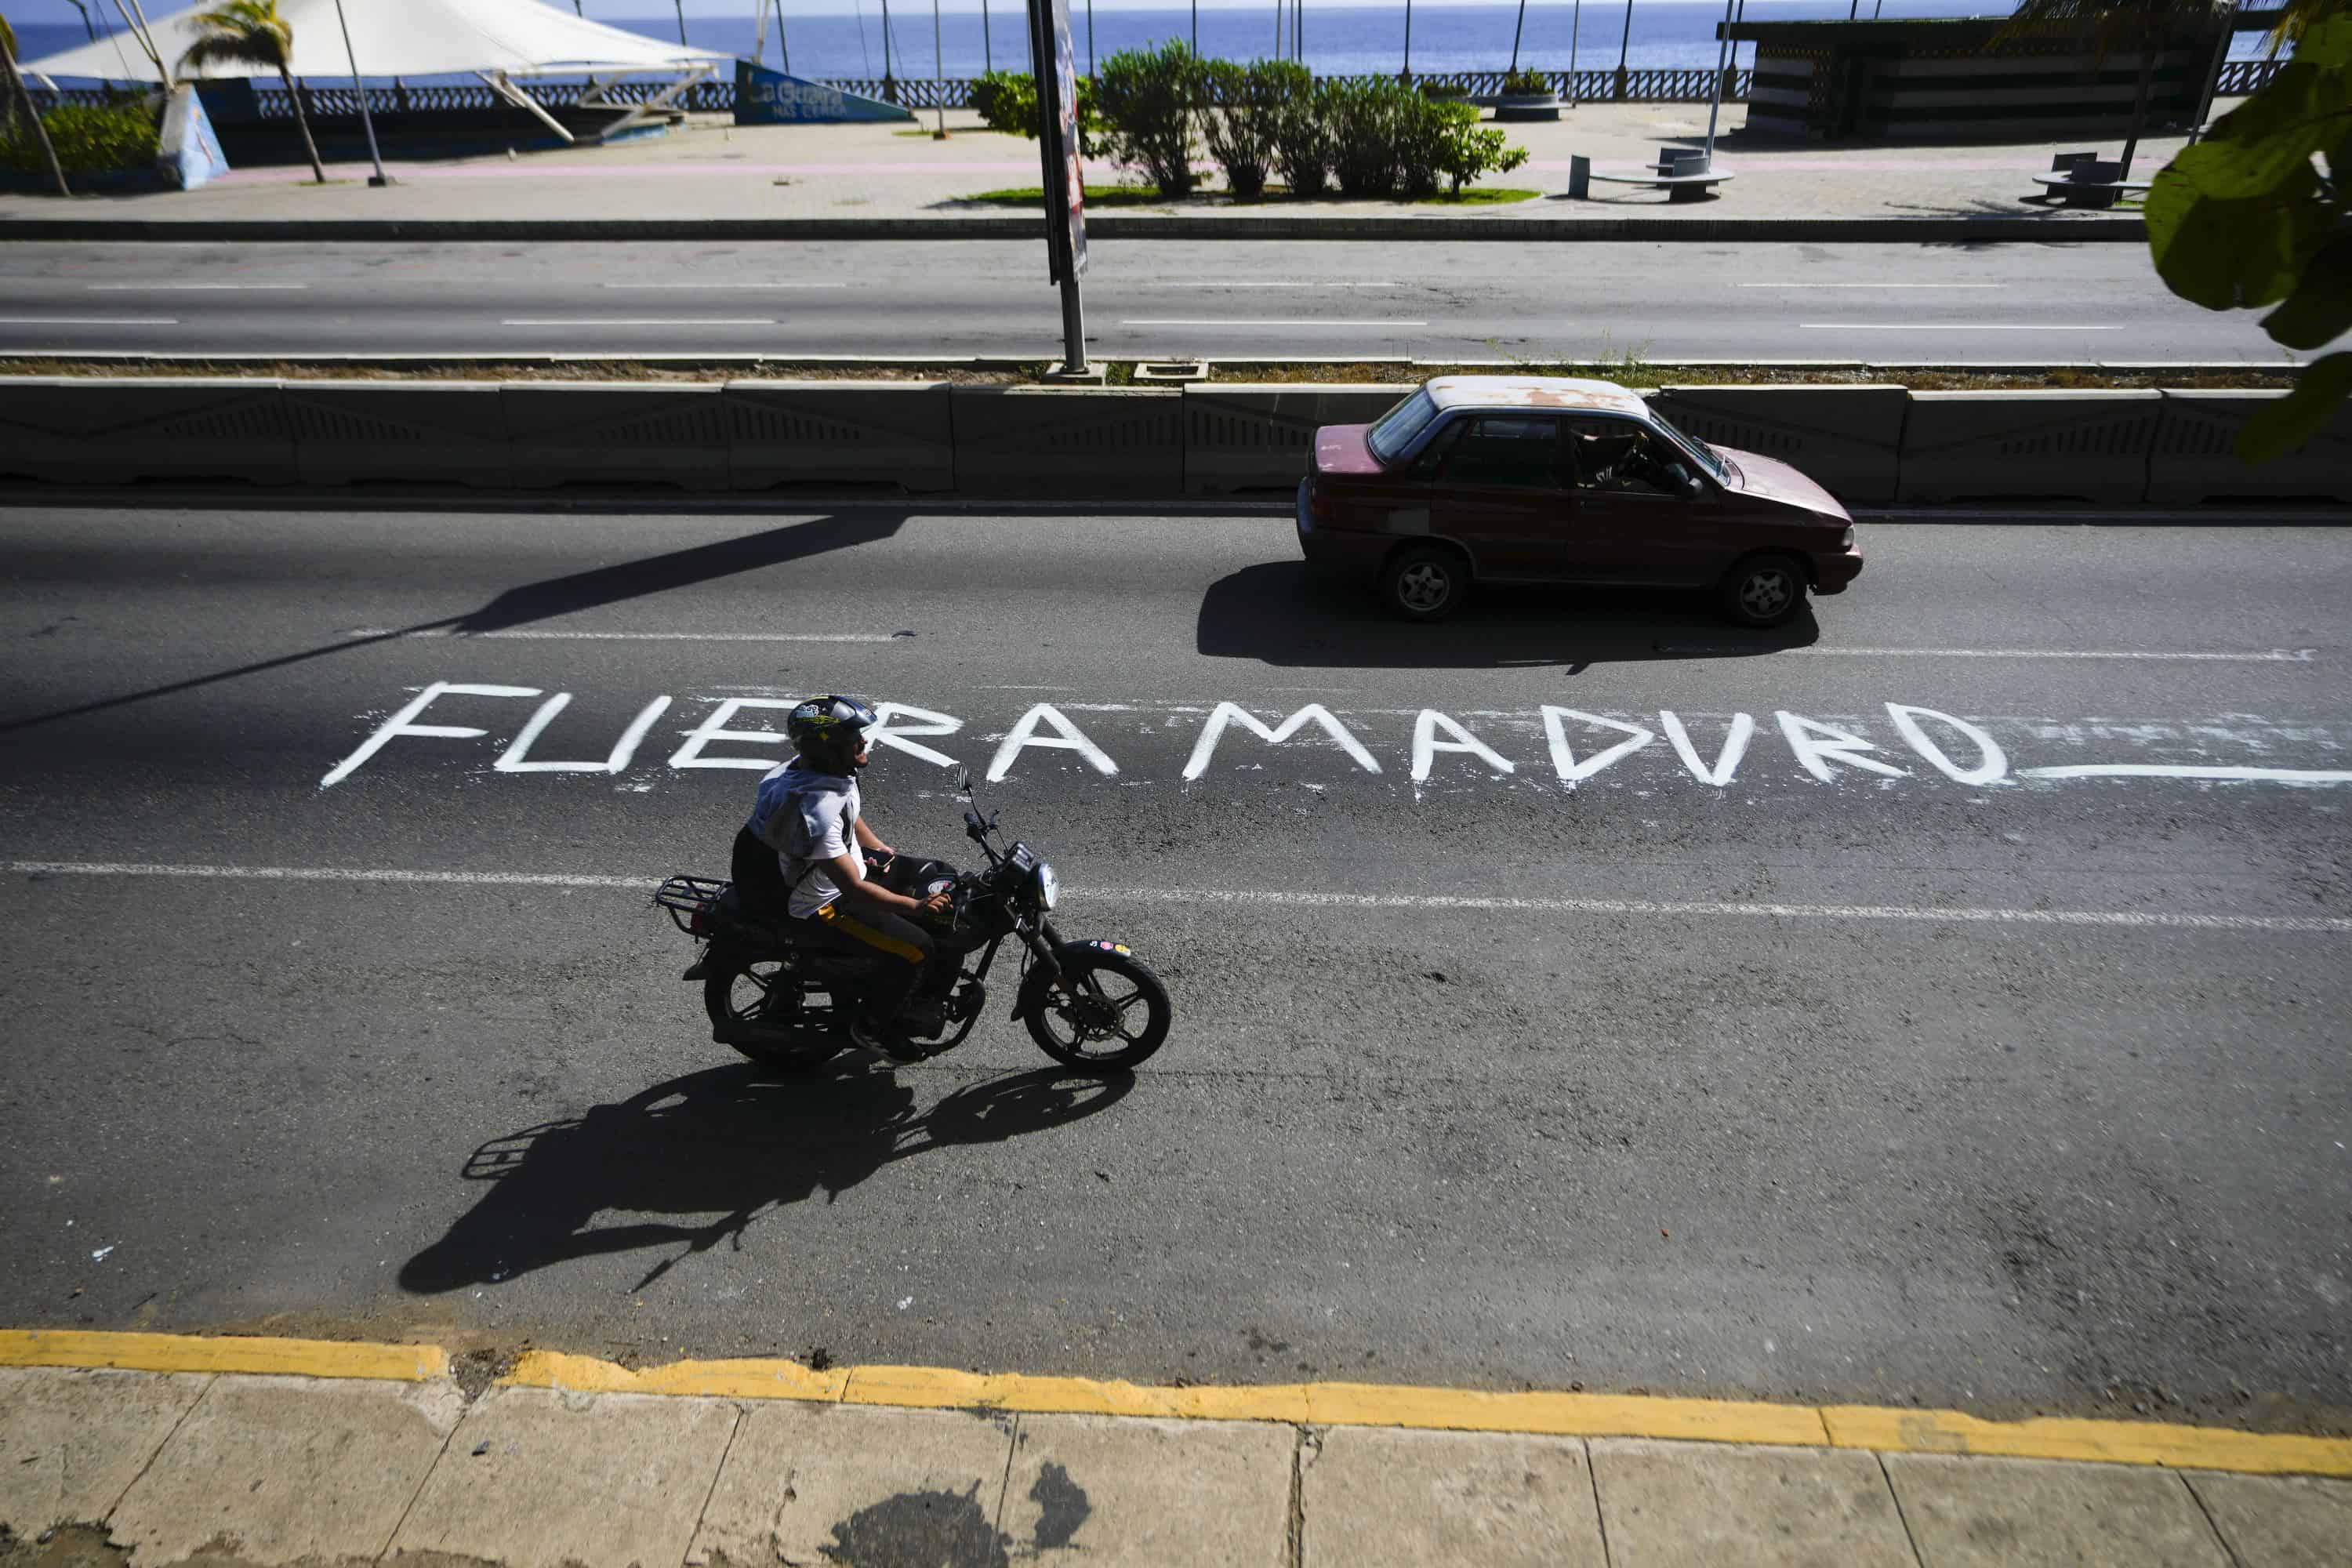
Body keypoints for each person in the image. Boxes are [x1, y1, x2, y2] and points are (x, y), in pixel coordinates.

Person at [731, 695, 953, 1060]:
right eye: (853, 737)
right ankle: (873, 1028)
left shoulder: (822, 772)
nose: (863, 741)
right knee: (917, 948)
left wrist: (879, 848)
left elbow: (848, 809)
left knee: (938, 873)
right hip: (820, 903)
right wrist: (916, 906)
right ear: (827, 747)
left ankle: (920, 996)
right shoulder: (815, 814)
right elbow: (854, 889)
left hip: (837, 868)